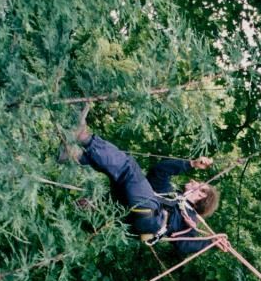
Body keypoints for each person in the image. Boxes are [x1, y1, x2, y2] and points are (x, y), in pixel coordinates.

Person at [60, 107, 220, 256]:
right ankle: (75, 155)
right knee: (117, 174)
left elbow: (185, 246)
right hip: (134, 214)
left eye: (198, 184)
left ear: (200, 195)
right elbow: (159, 172)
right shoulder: (171, 196)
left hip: (152, 218)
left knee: (127, 167)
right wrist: (190, 164)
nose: (193, 180)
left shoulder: (189, 220)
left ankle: (83, 137)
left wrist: (211, 242)